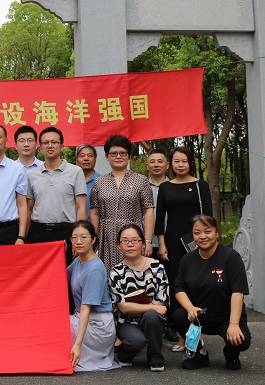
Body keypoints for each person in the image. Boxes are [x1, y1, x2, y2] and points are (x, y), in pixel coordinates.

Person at [173, 214, 251, 370]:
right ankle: (199, 354)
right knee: (178, 316)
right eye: (197, 233)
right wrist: (190, 308)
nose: (202, 236)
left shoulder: (231, 257)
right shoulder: (187, 260)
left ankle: (231, 354)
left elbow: (238, 292)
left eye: (207, 231)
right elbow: (179, 288)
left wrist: (234, 324)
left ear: (216, 232)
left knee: (242, 341)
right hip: (200, 316)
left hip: (226, 317)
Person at [155, 146, 212, 352]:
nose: (180, 165)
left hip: (196, 242)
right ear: (170, 164)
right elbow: (160, 218)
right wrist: (162, 243)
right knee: (176, 287)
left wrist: (205, 241)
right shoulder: (165, 187)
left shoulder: (200, 185)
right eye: (176, 161)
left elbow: (209, 217)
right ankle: (182, 338)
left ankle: (198, 338)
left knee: (195, 287)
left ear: (191, 163)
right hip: (173, 243)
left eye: (184, 161)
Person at [108, 224, 169, 372]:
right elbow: (123, 307)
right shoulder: (116, 272)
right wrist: (153, 307)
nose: (130, 244)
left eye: (135, 240)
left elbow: (162, 302)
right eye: (125, 241)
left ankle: (155, 358)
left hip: (152, 319)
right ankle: (124, 355)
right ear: (118, 245)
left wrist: (150, 308)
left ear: (143, 244)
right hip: (126, 320)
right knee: (136, 341)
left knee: (151, 317)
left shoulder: (157, 267)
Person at [89, 134, 154, 271]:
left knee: (135, 273)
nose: (118, 156)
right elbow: (94, 213)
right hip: (107, 236)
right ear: (106, 157)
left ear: (129, 156)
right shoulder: (99, 182)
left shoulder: (141, 181)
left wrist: (147, 240)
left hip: (133, 236)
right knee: (109, 273)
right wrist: (94, 241)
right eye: (113, 153)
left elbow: (148, 210)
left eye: (123, 153)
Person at [26, 127, 86, 265]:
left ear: (62, 146)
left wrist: (78, 238)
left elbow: (81, 207)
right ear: (40, 148)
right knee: (39, 274)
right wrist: (25, 236)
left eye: (54, 142)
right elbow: (28, 208)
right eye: (45, 143)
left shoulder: (75, 172)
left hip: (66, 232)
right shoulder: (32, 174)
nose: (50, 145)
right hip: (38, 232)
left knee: (66, 273)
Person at [68, 220, 119, 372]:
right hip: (83, 319)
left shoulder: (94, 269)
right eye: (74, 237)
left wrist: (77, 345)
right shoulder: (78, 261)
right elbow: (60, 275)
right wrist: (58, 251)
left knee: (57, 324)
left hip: (98, 326)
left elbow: (86, 309)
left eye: (83, 237)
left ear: (93, 239)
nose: (78, 241)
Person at [146, 148, 169, 257]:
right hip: (146, 243)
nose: (156, 165)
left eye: (160, 161)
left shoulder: (174, 187)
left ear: (167, 165)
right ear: (147, 166)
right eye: (152, 162)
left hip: (170, 241)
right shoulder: (141, 188)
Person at [76, 144, 101, 220]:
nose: (86, 159)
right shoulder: (71, 181)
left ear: (95, 159)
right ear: (77, 159)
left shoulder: (102, 182)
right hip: (72, 225)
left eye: (90, 156)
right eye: (82, 156)